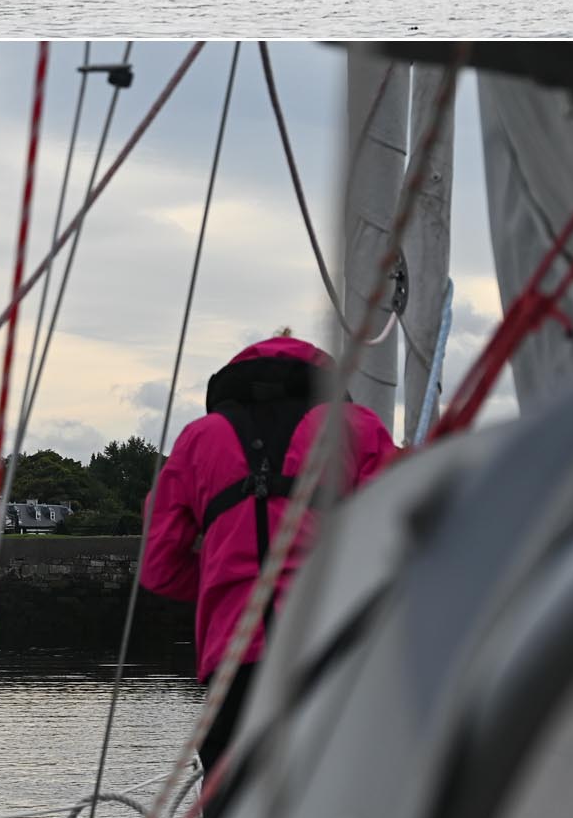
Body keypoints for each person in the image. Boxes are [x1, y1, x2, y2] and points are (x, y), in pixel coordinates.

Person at [136, 332, 396, 777]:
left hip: (234, 664)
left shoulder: (199, 438)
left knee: (233, 808)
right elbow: (398, 534)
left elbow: (158, 567)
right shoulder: (357, 426)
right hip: (328, 648)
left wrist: (226, 578)